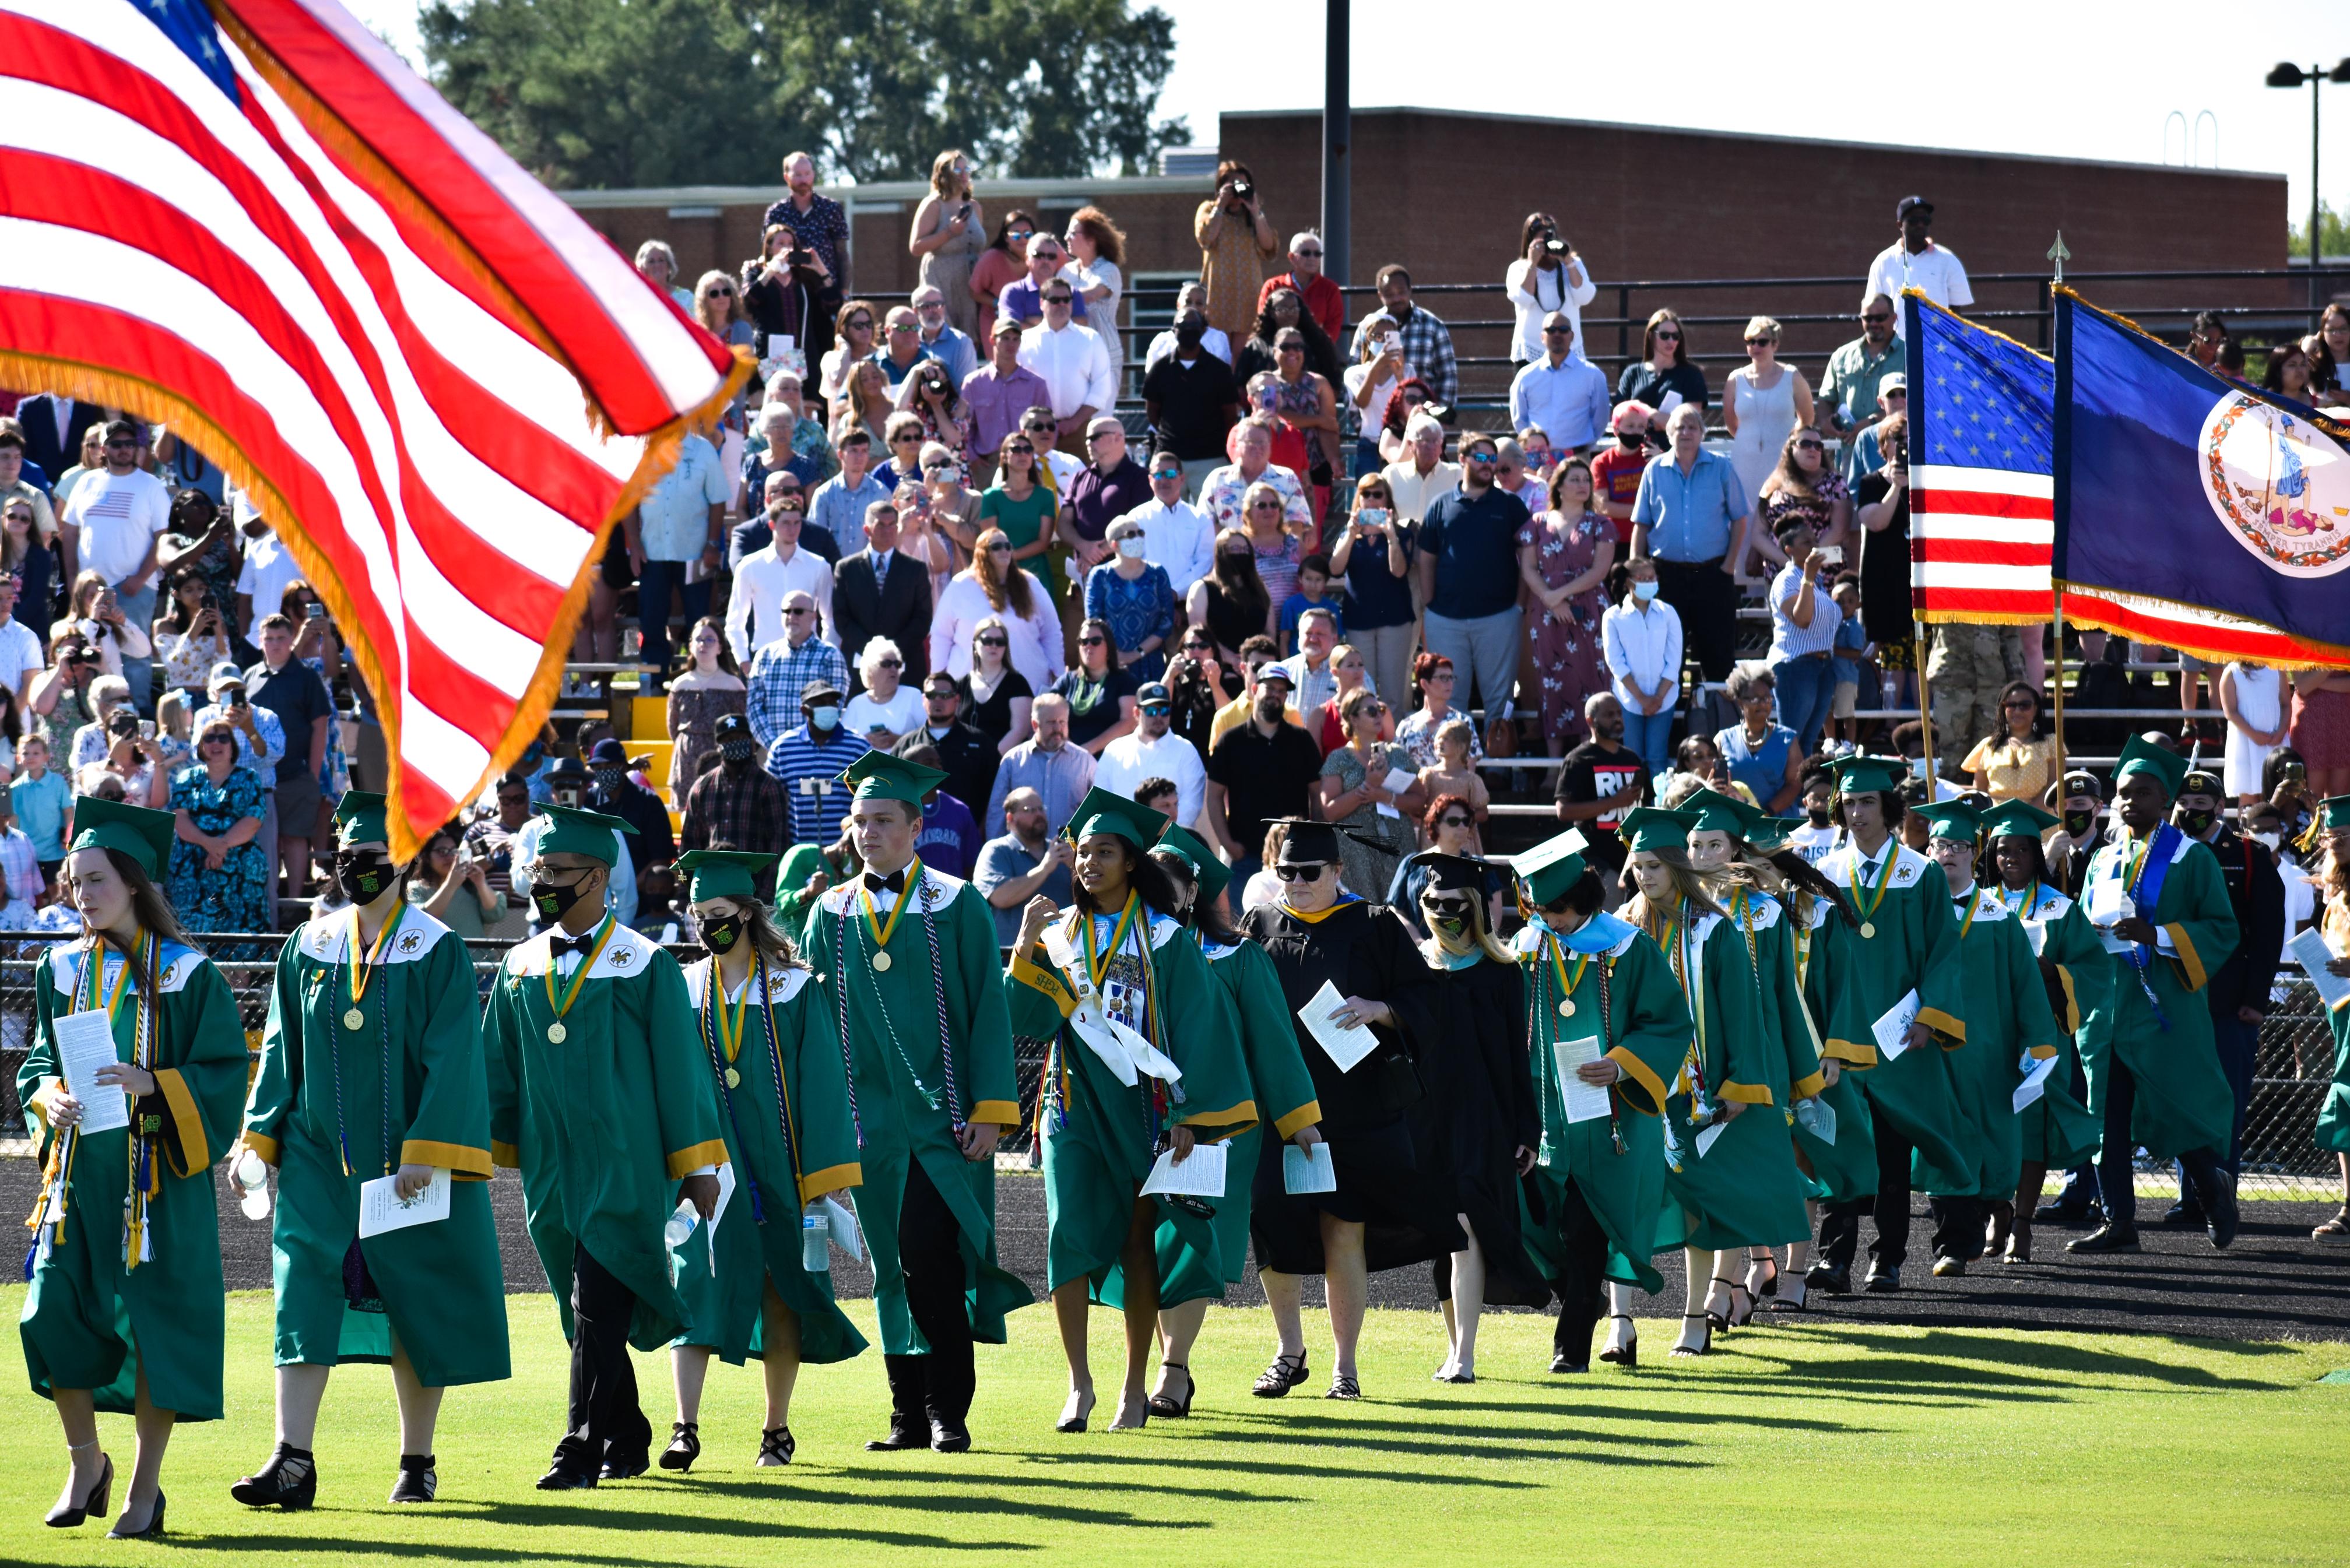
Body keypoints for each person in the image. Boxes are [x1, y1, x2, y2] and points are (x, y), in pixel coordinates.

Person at [230, 793, 508, 1511]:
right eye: (348, 858)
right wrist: (259, 1134)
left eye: (374, 859)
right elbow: (282, 1050)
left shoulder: (434, 945)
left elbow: (454, 1056)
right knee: (303, 1294)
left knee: (413, 1297)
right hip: (318, 1155)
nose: (359, 870)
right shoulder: (310, 943)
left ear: (404, 859)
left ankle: (417, 1460)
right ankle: (292, 1457)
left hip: (406, 1164)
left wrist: (428, 1148)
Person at [18, 797, 247, 1538]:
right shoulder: (61, 967)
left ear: (134, 883)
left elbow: (223, 1069)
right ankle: (86, 1460)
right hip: (78, 1178)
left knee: (158, 1331)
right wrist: (47, 1095)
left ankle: (144, 1489)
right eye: (73, 881)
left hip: (156, 1187)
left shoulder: (187, 974)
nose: (82, 893)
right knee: (50, 1314)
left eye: (96, 879)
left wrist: (158, 1082)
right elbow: (41, 1061)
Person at [483, 804, 724, 1489]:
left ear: (596, 877)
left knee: (597, 1301)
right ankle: (629, 1433)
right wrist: (489, 1151)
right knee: (581, 1310)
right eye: (537, 871)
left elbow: (680, 1074)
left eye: (556, 871)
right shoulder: (520, 965)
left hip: (625, 1165)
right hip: (551, 1169)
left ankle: (578, 1450)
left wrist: (696, 1165)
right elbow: (497, 1067)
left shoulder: (644, 964)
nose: (543, 883)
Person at [797, 752, 1030, 1450]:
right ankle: (905, 1413)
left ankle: (945, 1410)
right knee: (888, 1265)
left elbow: (989, 1011)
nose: (868, 832)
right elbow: (815, 1027)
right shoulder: (828, 912)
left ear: (916, 825)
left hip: (946, 1121)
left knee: (931, 1258)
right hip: (866, 1128)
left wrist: (991, 1109)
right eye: (860, 820)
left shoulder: (955, 903)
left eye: (883, 820)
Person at [1004, 790, 1253, 1431]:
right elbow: (1029, 1019)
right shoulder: (1060, 934)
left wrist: (1188, 1114)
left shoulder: (1166, 938)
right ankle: (1078, 1384)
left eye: (1104, 852)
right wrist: (1026, 948)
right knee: (1067, 1237)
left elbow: (1199, 1028)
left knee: (1138, 1243)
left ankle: (1133, 1388)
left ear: (1130, 861)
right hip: (1072, 1106)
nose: (1088, 862)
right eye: (1082, 852)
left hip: (1142, 1111)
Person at [659, 850, 865, 1474]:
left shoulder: (794, 987)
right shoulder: (682, 987)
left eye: (717, 914)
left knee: (782, 1293)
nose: (705, 928)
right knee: (694, 1283)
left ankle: (775, 1430)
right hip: (706, 1164)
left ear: (747, 913)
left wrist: (821, 1181)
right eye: (697, 916)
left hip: (782, 1165)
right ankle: (683, 1427)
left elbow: (823, 1086)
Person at [1240, 820, 1460, 1400]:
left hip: (1354, 1104)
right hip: (1279, 1107)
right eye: (1285, 872)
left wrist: (1379, 1007)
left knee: (1344, 1226)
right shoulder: (1259, 925)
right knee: (1272, 1224)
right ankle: (1289, 1351)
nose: (1297, 882)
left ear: (1337, 871)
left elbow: (1425, 998)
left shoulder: (1375, 925)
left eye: (1309, 872)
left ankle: (1344, 1366)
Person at [1617, 804, 1811, 1353]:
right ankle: (1619, 1321)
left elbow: (1744, 1014)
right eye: (1637, 866)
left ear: (1677, 867)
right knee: (1622, 1202)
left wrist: (1739, 1086)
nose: (1645, 875)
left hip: (1698, 1094)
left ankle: (1696, 1319)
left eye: (1655, 865)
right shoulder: (1621, 931)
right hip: (1635, 1089)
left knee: (1703, 1206)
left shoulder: (1715, 931)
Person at [1503, 831, 1685, 1371]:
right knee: (1540, 1223)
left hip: (1612, 1119)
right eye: (1539, 910)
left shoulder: (1628, 947)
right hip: (1546, 1115)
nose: (1548, 921)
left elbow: (1669, 1022)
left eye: (1556, 912)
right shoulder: (1528, 947)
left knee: (1586, 1228)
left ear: (1581, 902)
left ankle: (1573, 1344)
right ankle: (1579, 1299)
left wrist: (1623, 1062)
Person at [1807, 755, 1971, 1296]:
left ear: (1891, 809)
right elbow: (1815, 963)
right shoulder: (1825, 877)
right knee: (1842, 1146)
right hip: (1842, 1035)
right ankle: (1834, 1259)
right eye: (1848, 803)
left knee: (1893, 1153)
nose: (1856, 813)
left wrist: (1928, 1016)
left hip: (1900, 1039)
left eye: (1867, 803)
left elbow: (1944, 953)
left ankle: (1888, 1259)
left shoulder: (1920, 874)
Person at [1904, 800, 2068, 1276]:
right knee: (1938, 1141)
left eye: (1957, 846)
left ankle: (1985, 1216)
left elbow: (2026, 989)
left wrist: (2037, 1045)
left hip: (1987, 1053)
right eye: (1938, 845)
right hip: (1927, 1051)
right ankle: (1953, 1244)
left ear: (1974, 854)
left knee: (1987, 1143)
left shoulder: (1997, 918)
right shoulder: (1911, 911)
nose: (1947, 854)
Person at [1978, 801, 2108, 1265]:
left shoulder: (2060, 909)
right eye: (2001, 850)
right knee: (1991, 1126)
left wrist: (2049, 970)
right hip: (1990, 1037)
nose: (2009, 858)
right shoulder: (1978, 906)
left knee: (2030, 1130)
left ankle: (2022, 1226)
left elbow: (2092, 971)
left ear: (2037, 855)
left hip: (2042, 1034)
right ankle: (1998, 1208)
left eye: (2019, 850)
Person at [2166, 767, 2285, 1214]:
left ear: (2220, 807)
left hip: (2228, 1002)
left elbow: (2267, 933)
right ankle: (2189, 1193)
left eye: (2201, 804)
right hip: (2175, 996)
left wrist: (2256, 1000)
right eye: (2184, 804)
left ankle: (2218, 1196)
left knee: (2225, 1101)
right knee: (2181, 1098)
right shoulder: (2165, 853)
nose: (2191, 811)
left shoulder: (2249, 856)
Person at [1417, 432, 1530, 729]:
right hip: (1446, 619)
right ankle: (1454, 768)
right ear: (1462, 459)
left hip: (1500, 617)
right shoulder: (1440, 505)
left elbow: (1528, 557)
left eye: (1493, 459)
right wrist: (1429, 604)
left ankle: (1497, 772)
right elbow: (1426, 558)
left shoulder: (1511, 505)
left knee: (1500, 698)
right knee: (1450, 697)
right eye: (1481, 458)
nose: (1488, 464)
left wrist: (1519, 606)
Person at [1631, 404, 1749, 687]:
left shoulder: (1721, 467)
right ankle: (1672, 729)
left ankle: (1719, 726)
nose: (1686, 432)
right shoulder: (1654, 471)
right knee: (1665, 660)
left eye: (1692, 427)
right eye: (1680, 427)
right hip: (1666, 578)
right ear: (1669, 433)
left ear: (1702, 434)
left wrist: (1728, 566)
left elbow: (1740, 519)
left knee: (1718, 660)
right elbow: (1642, 525)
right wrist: (1636, 570)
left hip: (1713, 576)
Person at [56, 421, 167, 713]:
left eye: (129, 443)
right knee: (87, 651)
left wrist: (140, 578)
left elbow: (163, 539)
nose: (124, 449)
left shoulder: (151, 485)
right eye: (116, 444)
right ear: (103, 449)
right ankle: (93, 719)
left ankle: (137, 719)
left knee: (136, 657)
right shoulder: (87, 482)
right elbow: (68, 533)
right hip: (89, 591)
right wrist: (71, 578)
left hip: (135, 588)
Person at [1516, 457, 1615, 755]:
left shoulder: (1602, 524)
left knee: (1592, 678)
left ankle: (1589, 754)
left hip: (1589, 610)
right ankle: (1554, 761)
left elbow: (1600, 571)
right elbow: (1529, 567)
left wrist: (1558, 596)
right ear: (1558, 486)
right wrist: (1550, 599)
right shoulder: (1536, 522)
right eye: (1575, 479)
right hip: (1546, 614)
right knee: (1551, 680)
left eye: (1586, 480)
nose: (1583, 485)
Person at [1204, 667, 1323, 885]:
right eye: (1270, 688)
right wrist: (1227, 843)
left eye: (1282, 691)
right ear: (1255, 688)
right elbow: (1213, 796)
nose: (1276, 695)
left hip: (1296, 856)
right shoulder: (1230, 741)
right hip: (1246, 857)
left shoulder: (1302, 739)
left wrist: (1315, 840)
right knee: (1244, 921)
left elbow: (1317, 795)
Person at [165, 720, 270, 933]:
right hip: (193, 868)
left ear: (233, 745)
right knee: (193, 934)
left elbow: (254, 819)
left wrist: (220, 846)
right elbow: (180, 818)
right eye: (209, 738)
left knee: (242, 935)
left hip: (240, 868)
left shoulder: (249, 778)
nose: (217, 744)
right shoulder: (187, 778)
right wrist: (209, 844)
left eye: (223, 738)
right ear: (201, 746)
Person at [1316, 690, 1421, 899]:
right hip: (1356, 852)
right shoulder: (1339, 758)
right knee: (1362, 911)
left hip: (1397, 846)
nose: (1379, 716)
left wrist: (1386, 797)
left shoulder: (1397, 754)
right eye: (1372, 711)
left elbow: (1420, 801)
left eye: (1381, 710)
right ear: (1353, 718)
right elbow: (1329, 811)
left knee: (1401, 911)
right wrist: (1366, 788)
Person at [728, 483, 834, 663]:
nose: (792, 530)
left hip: (809, 657)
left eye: (797, 523)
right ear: (772, 525)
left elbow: (829, 619)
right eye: (786, 523)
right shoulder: (750, 565)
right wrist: (743, 661)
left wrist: (826, 658)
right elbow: (735, 620)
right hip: (764, 658)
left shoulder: (819, 565)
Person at [1854, 414, 1918, 711]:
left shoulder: (1926, 482)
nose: (1904, 445)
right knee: (1893, 661)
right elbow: (1876, 522)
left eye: (1909, 439)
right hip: (1885, 581)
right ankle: (1891, 721)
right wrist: (1896, 485)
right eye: (1898, 439)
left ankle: (1924, 725)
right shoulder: (1871, 482)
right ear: (1884, 445)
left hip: (1917, 581)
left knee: (1921, 659)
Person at [1722, 317, 1815, 513]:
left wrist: (1789, 440)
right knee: (1744, 517)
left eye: (1762, 342)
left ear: (1775, 344)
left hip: (1782, 460)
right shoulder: (1735, 379)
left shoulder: (1792, 376)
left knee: (1782, 513)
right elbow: (1732, 425)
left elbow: (1807, 419)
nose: (1756, 346)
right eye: (1750, 341)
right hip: (1745, 461)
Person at [1016, 283, 1115, 458]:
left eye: (1066, 300)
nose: (1062, 304)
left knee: (1082, 483)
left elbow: (1102, 386)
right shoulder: (1025, 341)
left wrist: (1074, 422)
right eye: (1055, 300)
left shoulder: (1090, 339)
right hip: (1034, 432)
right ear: (1041, 303)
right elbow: (1016, 385)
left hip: (1077, 431)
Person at [743, 592, 852, 752]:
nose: (791, 616)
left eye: (798, 611)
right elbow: (754, 707)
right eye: (786, 611)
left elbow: (834, 708)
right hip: (773, 753)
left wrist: (807, 744)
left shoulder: (830, 655)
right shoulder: (764, 656)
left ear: (814, 617)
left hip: (817, 751)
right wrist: (775, 746)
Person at [1094, 680, 1205, 827]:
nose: (1159, 717)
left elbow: (1191, 806)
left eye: (1165, 711)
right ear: (1136, 713)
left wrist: (1156, 836)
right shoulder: (1114, 751)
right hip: (1123, 843)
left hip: (1169, 844)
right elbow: (1101, 800)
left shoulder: (1186, 750)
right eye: (1151, 711)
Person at [974, 786, 1075, 945]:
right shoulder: (996, 850)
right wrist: (1044, 869)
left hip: (1061, 957)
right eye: (1030, 810)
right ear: (1010, 818)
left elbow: (1084, 904)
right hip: (1011, 957)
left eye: (1041, 809)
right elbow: (1000, 897)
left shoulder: (1061, 852)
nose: (1039, 815)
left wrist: (1074, 869)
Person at [1348, 266, 1460, 408]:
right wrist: (1361, 425)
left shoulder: (1433, 326)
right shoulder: (1367, 328)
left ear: (1410, 290)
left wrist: (1438, 419)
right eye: (1389, 294)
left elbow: (1448, 376)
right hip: (1375, 421)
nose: (1396, 298)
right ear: (1380, 295)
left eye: (1401, 292)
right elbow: (1353, 376)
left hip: (1421, 418)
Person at [1084, 514, 1176, 683]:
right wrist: (1116, 655)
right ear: (1115, 545)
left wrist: (1137, 653)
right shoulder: (1100, 576)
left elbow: (1166, 622)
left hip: (1151, 662)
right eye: (1131, 535)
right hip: (1112, 662)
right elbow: (1094, 621)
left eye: (1141, 533)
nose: (1139, 538)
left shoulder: (1157, 573)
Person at [1194, 160, 1279, 339]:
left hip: (1248, 295)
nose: (1237, 190)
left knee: (1243, 356)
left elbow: (1269, 246)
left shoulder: (1252, 216)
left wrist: (1256, 212)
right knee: (1219, 352)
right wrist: (1221, 205)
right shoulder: (1209, 209)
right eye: (1233, 185)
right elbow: (1206, 238)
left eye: (1243, 185)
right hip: (1218, 295)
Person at [667, 618, 747, 806]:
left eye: (710, 639)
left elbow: (744, 726)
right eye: (699, 639)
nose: (704, 644)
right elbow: (673, 727)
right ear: (691, 647)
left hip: (722, 757)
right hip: (687, 759)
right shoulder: (680, 685)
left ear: (720, 648)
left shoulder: (734, 685)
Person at [907, 150, 985, 337]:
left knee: (970, 340)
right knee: (944, 337)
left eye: (967, 169)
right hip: (940, 281)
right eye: (958, 171)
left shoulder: (974, 207)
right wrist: (949, 233)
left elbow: (977, 246)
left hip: (969, 284)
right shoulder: (933, 204)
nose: (965, 175)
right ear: (944, 175)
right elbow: (916, 247)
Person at [1510, 314, 1611, 455]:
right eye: (1551, 330)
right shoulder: (1526, 376)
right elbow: (1519, 419)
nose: (1557, 334)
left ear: (1572, 336)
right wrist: (1534, 445)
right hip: (1537, 459)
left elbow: (1601, 419)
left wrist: (1583, 448)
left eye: (1563, 329)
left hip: (1578, 457)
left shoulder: (1593, 375)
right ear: (1542, 337)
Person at [1505, 214, 1597, 363]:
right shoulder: (1518, 269)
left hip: (1568, 349)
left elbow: (1585, 297)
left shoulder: (1573, 264)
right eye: (1542, 242)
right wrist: (1532, 264)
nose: (1547, 246)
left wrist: (1569, 262)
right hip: (1531, 351)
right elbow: (1523, 299)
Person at [1714, 663, 1803, 815]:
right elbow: (1716, 782)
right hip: (1737, 820)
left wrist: (1765, 814)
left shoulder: (1788, 738)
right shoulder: (1723, 739)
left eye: (1767, 698)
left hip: (1778, 822)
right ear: (1740, 702)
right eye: (1755, 699)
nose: (1763, 704)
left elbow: (1794, 785)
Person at [1865, 195, 1972, 312]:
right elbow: (1874, 309)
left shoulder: (1948, 260)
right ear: (1900, 225)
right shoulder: (1883, 261)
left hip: (1936, 331)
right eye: (1914, 220)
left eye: (1925, 220)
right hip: (1897, 331)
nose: (1920, 225)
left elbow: (1956, 311)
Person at [1053, 618, 1139, 757]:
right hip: (1068, 757)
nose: (1089, 646)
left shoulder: (1125, 681)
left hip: (1112, 760)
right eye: (1084, 642)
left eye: (1096, 642)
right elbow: (1048, 715)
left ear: (1109, 647)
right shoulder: (1066, 682)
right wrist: (1070, 750)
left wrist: (1088, 750)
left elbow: (1129, 722)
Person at [1961, 681, 2058, 804]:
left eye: (2025, 705)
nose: (2017, 711)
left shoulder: (2051, 743)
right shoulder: (1989, 745)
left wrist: (2029, 815)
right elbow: (1980, 790)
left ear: (2036, 709)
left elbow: (2054, 784)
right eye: (2011, 705)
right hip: (1997, 819)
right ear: (2003, 709)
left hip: (2040, 819)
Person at [412, 823, 507, 939]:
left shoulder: (470, 887)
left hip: (476, 957)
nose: (450, 857)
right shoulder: (415, 889)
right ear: (426, 857)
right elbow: (421, 920)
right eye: (442, 851)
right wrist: (451, 884)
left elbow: (496, 914)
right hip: (442, 956)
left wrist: (481, 884)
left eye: (454, 851)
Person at [1614, 310, 1706, 430]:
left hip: (1675, 447)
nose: (1671, 341)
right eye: (1664, 336)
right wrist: (1657, 418)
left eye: (1676, 336)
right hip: (1636, 446)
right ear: (1651, 336)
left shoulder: (1691, 375)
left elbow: (1690, 422)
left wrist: (1650, 417)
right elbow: (1620, 415)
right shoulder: (1632, 373)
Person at [2220, 661, 2288, 809]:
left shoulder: (2277, 669)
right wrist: (2253, 734)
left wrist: (2281, 732)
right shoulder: (2232, 673)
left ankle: (2275, 829)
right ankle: (2247, 829)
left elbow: (2286, 704)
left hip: (2275, 742)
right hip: (2245, 742)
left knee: (2275, 793)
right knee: (2248, 796)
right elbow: (2230, 711)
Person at [968, 209, 1038, 353]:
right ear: (1006, 237)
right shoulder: (992, 259)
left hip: (1032, 322)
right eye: (1016, 234)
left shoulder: (1043, 256)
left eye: (1028, 234)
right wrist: (999, 303)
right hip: (997, 322)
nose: (1023, 239)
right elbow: (974, 292)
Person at [2291, 665, 2350, 800]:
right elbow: (2304, 686)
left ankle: (2336, 822)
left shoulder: (2345, 643)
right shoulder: (2305, 643)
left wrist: (2317, 683)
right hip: (2310, 721)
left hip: (2343, 720)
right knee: (2311, 794)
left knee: (2339, 796)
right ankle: (2312, 822)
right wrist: (2331, 661)